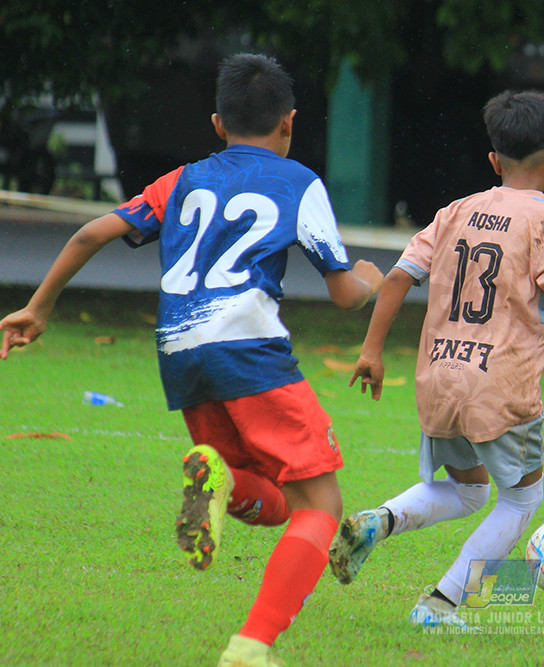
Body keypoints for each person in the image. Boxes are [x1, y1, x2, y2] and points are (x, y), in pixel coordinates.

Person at [0, 53, 383, 666]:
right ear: (289, 122)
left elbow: (90, 233)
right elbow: (342, 295)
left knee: (275, 499)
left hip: (179, 353)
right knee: (322, 507)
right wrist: (368, 278)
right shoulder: (299, 182)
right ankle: (250, 647)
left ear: (216, 122)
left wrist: (39, 308)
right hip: (248, 350)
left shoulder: (181, 179)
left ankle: (222, 480)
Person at [327, 90, 544, 628]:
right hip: (500, 387)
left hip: (439, 376)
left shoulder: (456, 211)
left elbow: (396, 278)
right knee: (522, 501)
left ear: (493, 161)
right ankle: (442, 604)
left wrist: (371, 351)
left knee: (469, 489)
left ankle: (379, 521)